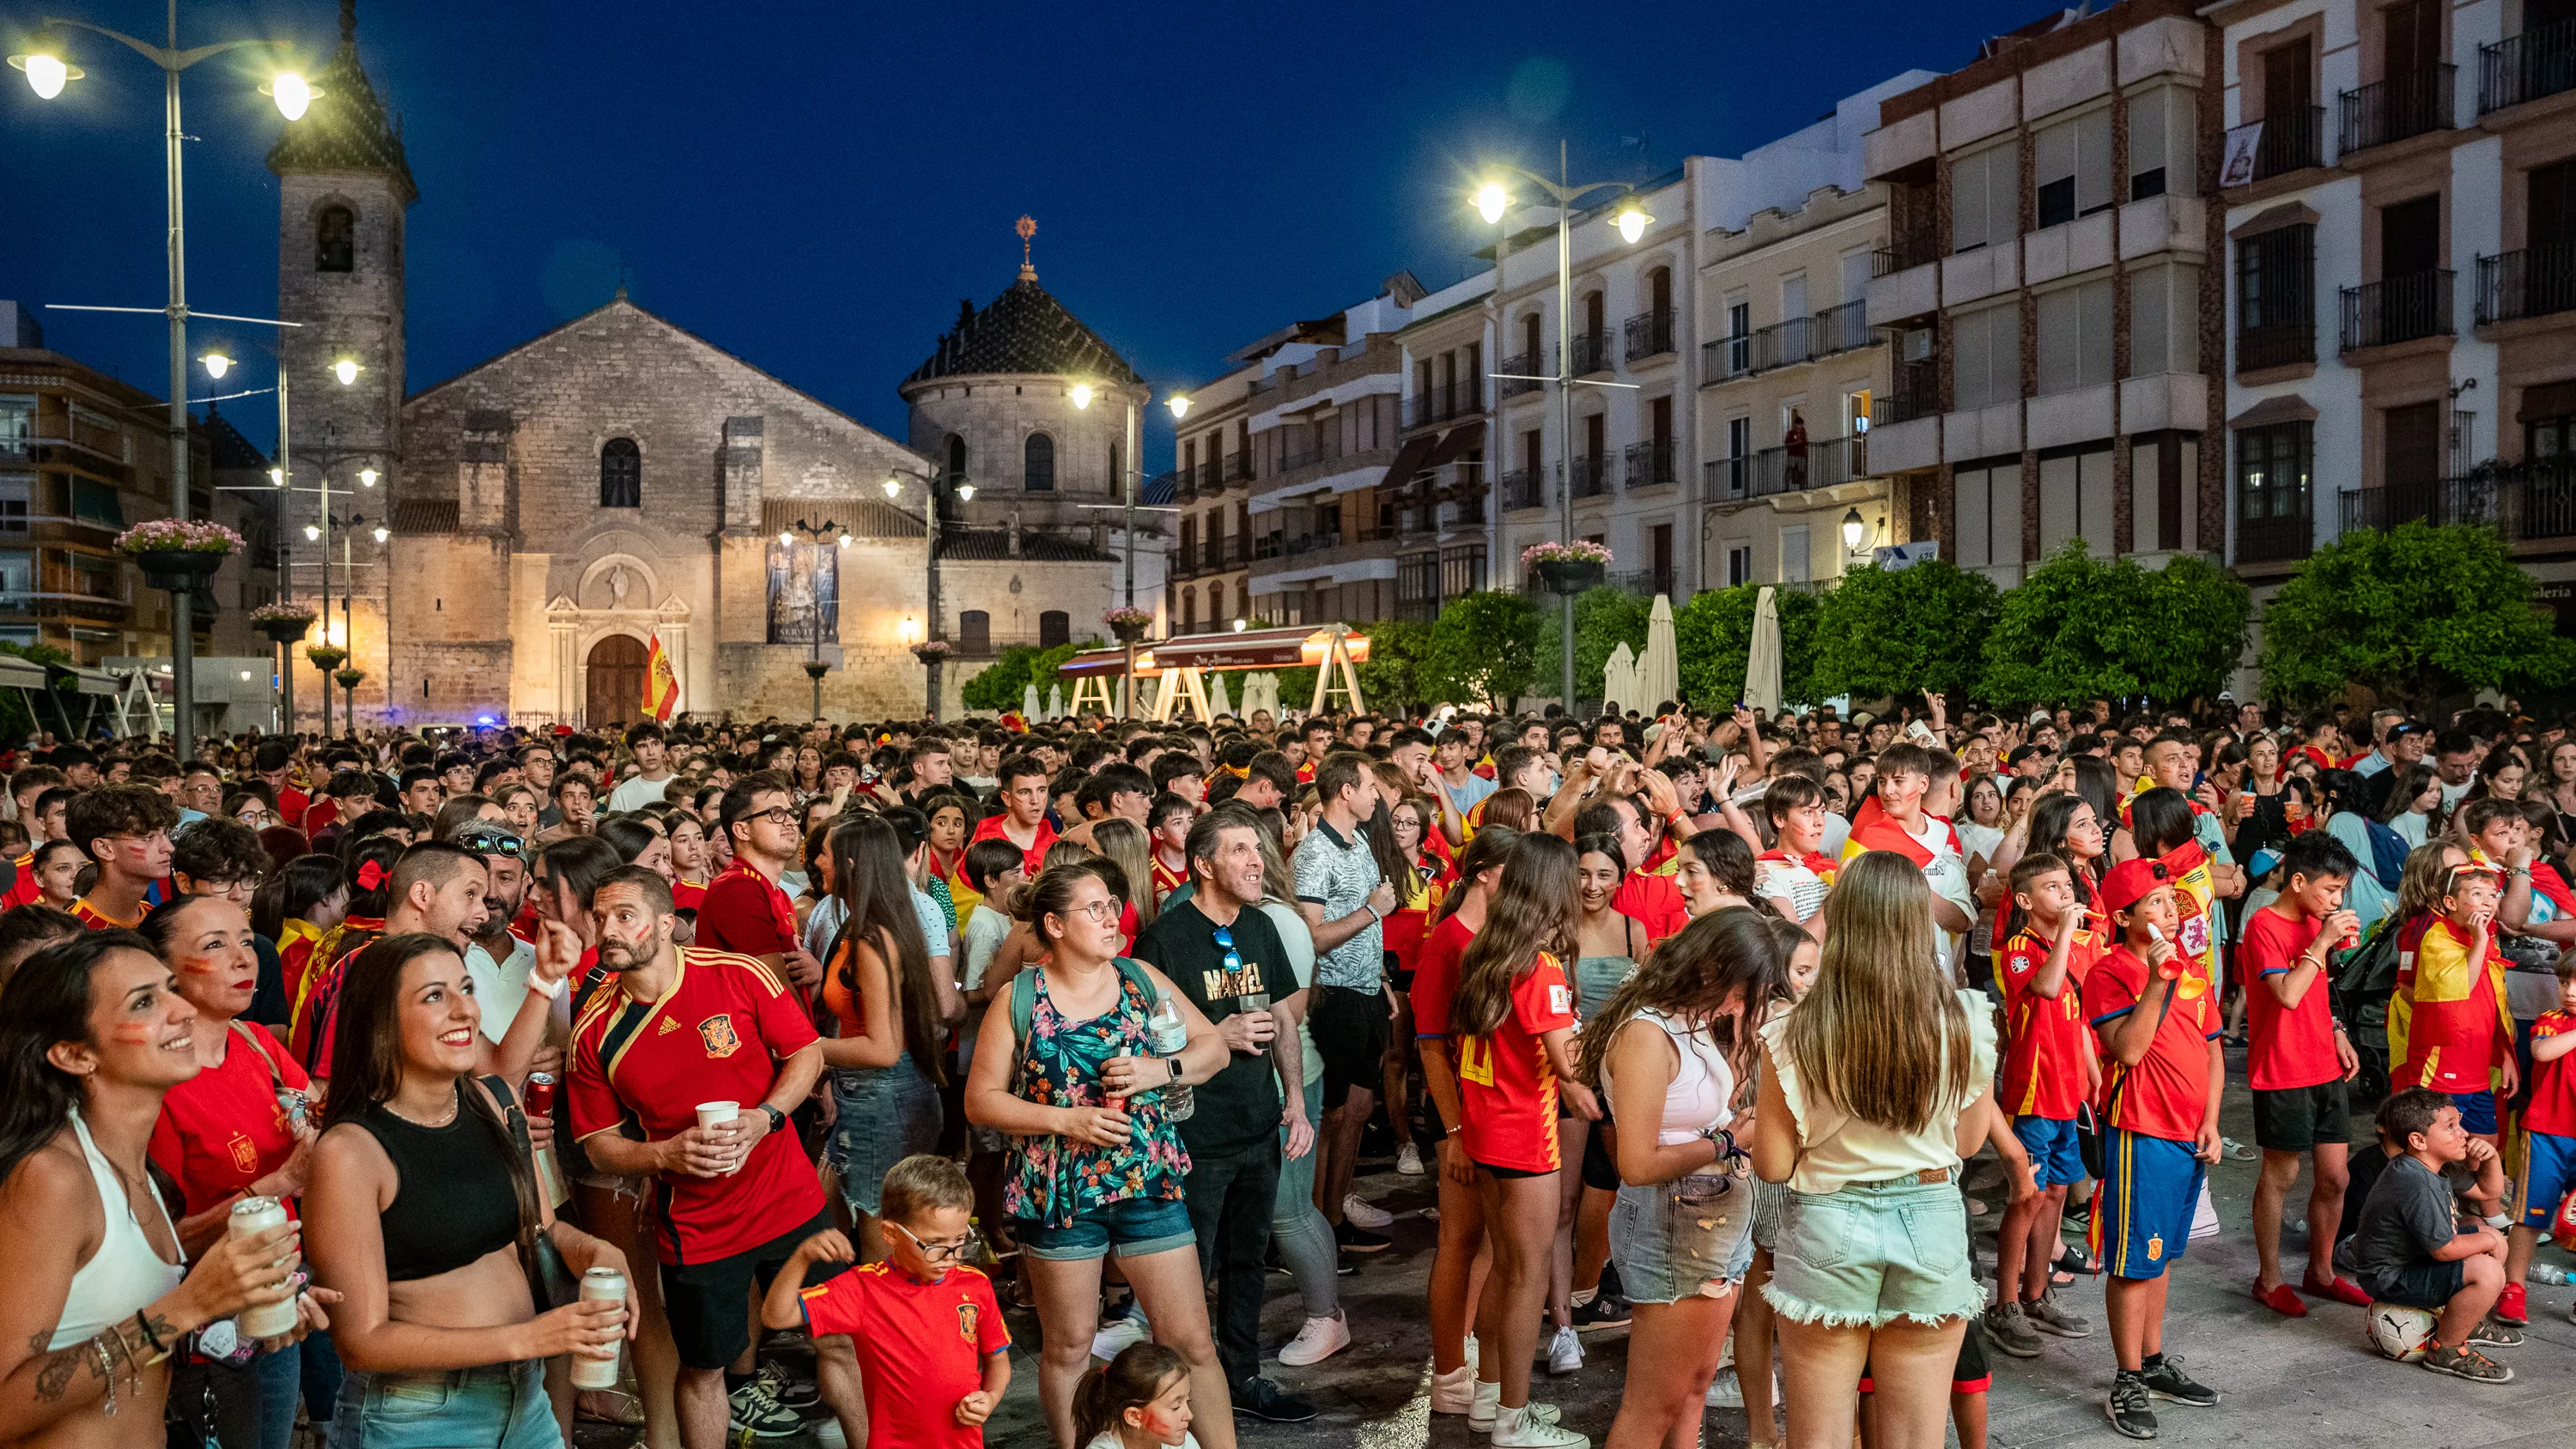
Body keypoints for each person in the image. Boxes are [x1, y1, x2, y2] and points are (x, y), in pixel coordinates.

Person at [565, 868, 860, 1449]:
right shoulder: (594, 1028)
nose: (609, 930)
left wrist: (767, 1116)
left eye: (625, 915)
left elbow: (803, 1053)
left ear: (666, 923)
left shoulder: (736, 973)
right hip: (698, 1227)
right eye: (600, 918)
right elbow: (598, 1142)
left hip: (789, 1199)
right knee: (703, 1369)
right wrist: (663, 1153)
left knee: (840, 1338)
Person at [303, 931, 631, 1449]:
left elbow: (541, 1227)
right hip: (418, 1417)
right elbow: (361, 1342)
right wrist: (529, 1338)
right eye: (434, 996)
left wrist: (595, 1249)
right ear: (379, 1021)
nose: (464, 1011)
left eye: (466, 988)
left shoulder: (494, 1102)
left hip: (526, 1401)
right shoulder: (351, 1152)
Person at [0, 931, 311, 1449]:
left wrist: (235, 1313)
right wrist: (185, 1307)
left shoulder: (133, 1166)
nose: (183, 1010)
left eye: (171, 988)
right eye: (145, 1002)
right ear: (75, 1055)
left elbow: (107, 1324)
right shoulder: (52, 1179)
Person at [962, 864, 1235, 1449]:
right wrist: (1067, 1120)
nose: (1113, 917)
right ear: (1055, 925)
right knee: (1067, 1346)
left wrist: (1159, 1069)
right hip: (1060, 1196)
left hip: (1146, 1179)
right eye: (1095, 909)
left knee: (1190, 1341)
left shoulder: (1140, 979)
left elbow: (1213, 1047)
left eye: (1113, 904)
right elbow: (981, 1101)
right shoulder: (1021, 997)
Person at [1749, 852, 1994, 1449]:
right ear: (1919, 923)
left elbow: (1774, 1165)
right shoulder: (1965, 1018)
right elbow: (1965, 1142)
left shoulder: (1793, 1026)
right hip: (1932, 1220)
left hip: (1828, 1224)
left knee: (1819, 1439)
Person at [1131, 808, 1315, 1423]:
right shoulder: (1165, 939)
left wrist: (1293, 1097)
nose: (1256, 859)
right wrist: (1218, 1032)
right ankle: (1172, 1401)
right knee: (1187, 1279)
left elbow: (1284, 1017)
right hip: (1196, 1136)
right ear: (1203, 864)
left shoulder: (1260, 926)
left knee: (1247, 1264)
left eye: (1256, 848)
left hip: (1259, 1125)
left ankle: (1242, 1378)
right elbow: (1147, 1043)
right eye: (1239, 850)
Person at [1581, 909, 1789, 1449]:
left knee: (1694, 1388)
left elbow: (1692, 1115)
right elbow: (1638, 1163)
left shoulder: (1689, 1020)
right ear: (1715, 970)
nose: (1743, 1005)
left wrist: (1727, 1124)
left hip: (1708, 1221)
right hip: (1674, 1223)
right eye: (1744, 991)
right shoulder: (1647, 1035)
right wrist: (1725, 1142)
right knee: (1654, 1405)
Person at [141, 894, 321, 1449]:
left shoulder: (258, 1045)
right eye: (214, 945)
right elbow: (157, 1246)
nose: (246, 958)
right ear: (161, 972)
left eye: (246, 939)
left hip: (279, 1299)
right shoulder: (155, 1086)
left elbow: (316, 1116)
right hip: (201, 1328)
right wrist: (279, 1183)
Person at [1450, 832, 1595, 1449]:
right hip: (1527, 1135)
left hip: (1486, 1127)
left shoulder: (1487, 947)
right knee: (1525, 1277)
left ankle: (1488, 1399)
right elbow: (1570, 1063)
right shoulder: (1542, 965)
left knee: (1504, 1269)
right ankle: (1513, 1418)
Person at [2080, 858, 2224, 1440]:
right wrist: (2158, 980)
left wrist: (2213, 1121)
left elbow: (2213, 1050)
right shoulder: (2109, 973)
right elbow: (2130, 1051)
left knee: (2161, 1255)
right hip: (2141, 1129)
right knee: (2133, 1262)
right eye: (2156, 903)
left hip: (2191, 1133)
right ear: (2123, 916)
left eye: (2171, 901)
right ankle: (2127, 1377)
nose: (2169, 912)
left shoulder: (2186, 967)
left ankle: (2155, 1360)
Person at [759, 1156, 1011, 1448]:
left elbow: (998, 1359)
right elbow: (776, 1317)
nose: (951, 1257)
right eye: (934, 1245)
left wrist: (990, 1397)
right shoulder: (864, 1288)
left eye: (959, 1241)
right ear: (891, 1233)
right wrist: (802, 1257)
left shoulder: (974, 1284)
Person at [1408, 825, 1518, 1413]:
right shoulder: (1448, 940)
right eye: (1513, 871)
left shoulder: (1500, 935)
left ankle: (1473, 1361)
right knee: (1459, 1241)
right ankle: (1450, 1375)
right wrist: (1452, 1133)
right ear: (1484, 873)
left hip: (1497, 1116)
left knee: (1492, 1248)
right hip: (1462, 1116)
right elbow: (1429, 1042)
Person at [2239, 831, 2372, 1316]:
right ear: (2298, 881)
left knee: (2335, 1178)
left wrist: (2337, 1029)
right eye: (2330, 890)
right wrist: (2322, 941)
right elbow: (2288, 994)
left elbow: (2317, 990)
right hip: (2282, 1068)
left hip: (2323, 1063)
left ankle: (2321, 1272)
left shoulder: (2318, 924)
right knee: (2283, 1173)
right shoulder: (2264, 927)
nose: (2337, 901)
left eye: (2342, 892)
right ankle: (2269, 1279)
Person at [816, 815, 952, 1256]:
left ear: (851, 864)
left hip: (883, 1100)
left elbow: (882, 1047)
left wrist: (803, 1047)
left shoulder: (872, 941)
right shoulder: (870, 924)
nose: (816, 860)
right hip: (876, 1095)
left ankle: (885, 1323)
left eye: (825, 852)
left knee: (883, 1250)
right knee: (834, 1211)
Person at [1984, 853, 2099, 1358]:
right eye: (2052, 888)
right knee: (2025, 1197)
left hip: (2066, 1091)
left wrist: (2091, 1075)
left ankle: (2036, 1293)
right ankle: (2003, 1304)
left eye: (2067, 885)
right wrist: (2066, 934)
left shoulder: (2072, 946)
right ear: (2027, 901)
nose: (2065, 893)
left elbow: (2079, 1017)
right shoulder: (2018, 949)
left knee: (2054, 1195)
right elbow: (2049, 988)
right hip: (2032, 1092)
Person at [1291, 753, 1399, 1253]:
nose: (1377, 794)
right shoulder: (1314, 854)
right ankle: (1313, 1230)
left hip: (1364, 991)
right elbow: (1308, 937)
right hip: (1330, 997)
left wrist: (1380, 980)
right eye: (1371, 785)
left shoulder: (1357, 840)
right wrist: (1369, 911)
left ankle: (1334, 1215)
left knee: (1356, 1107)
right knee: (1330, 1115)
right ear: (1345, 792)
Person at [2349, 1089, 2518, 1381]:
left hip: (2412, 1260)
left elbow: (2490, 1192)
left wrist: (2491, 1158)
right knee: (2488, 1269)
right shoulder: (2415, 1181)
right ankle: (2448, 1349)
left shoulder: (2434, 1165)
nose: (2463, 1133)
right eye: (2450, 1127)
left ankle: (2467, 1321)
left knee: (2481, 1226)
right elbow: (2444, 1250)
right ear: (2418, 1140)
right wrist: (2492, 1241)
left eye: (2459, 1123)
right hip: (2389, 1277)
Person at [2389, 861, 2517, 1148]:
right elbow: (2462, 988)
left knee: (2486, 1141)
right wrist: (2480, 940)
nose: (2487, 902)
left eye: (2492, 895)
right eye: (2476, 895)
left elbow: (2495, 1000)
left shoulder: (2486, 937)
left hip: (2478, 1060)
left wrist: (2505, 1052)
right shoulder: (2437, 937)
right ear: (2451, 902)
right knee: (2439, 1143)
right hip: (2442, 1061)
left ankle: (2470, 1192)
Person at [696, 773, 824, 997]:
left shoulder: (779, 894)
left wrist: (814, 977)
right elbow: (775, 992)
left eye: (791, 813)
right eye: (775, 814)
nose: (789, 821)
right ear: (742, 831)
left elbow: (791, 989)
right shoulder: (736, 888)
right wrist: (814, 1035)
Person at [2502, 956, 2576, 1326]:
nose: (2570, 992)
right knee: (2530, 1217)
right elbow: (2542, 1052)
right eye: (2564, 983)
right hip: (2547, 1133)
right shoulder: (2551, 1020)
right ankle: (2513, 1290)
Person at [64, 785, 179, 931]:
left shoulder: (159, 919)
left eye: (165, 835)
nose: (169, 847)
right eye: (148, 838)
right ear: (104, 849)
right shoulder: (72, 931)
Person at [1075, 1342, 1199, 1449]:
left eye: (1187, 1401)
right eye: (1176, 1407)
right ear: (1134, 1416)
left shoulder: (1184, 1443)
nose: (1189, 1415)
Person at [607, 724, 677, 814]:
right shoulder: (622, 794)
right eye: (642, 746)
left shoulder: (683, 786)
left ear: (663, 748)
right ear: (632, 753)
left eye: (655, 744)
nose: (650, 752)